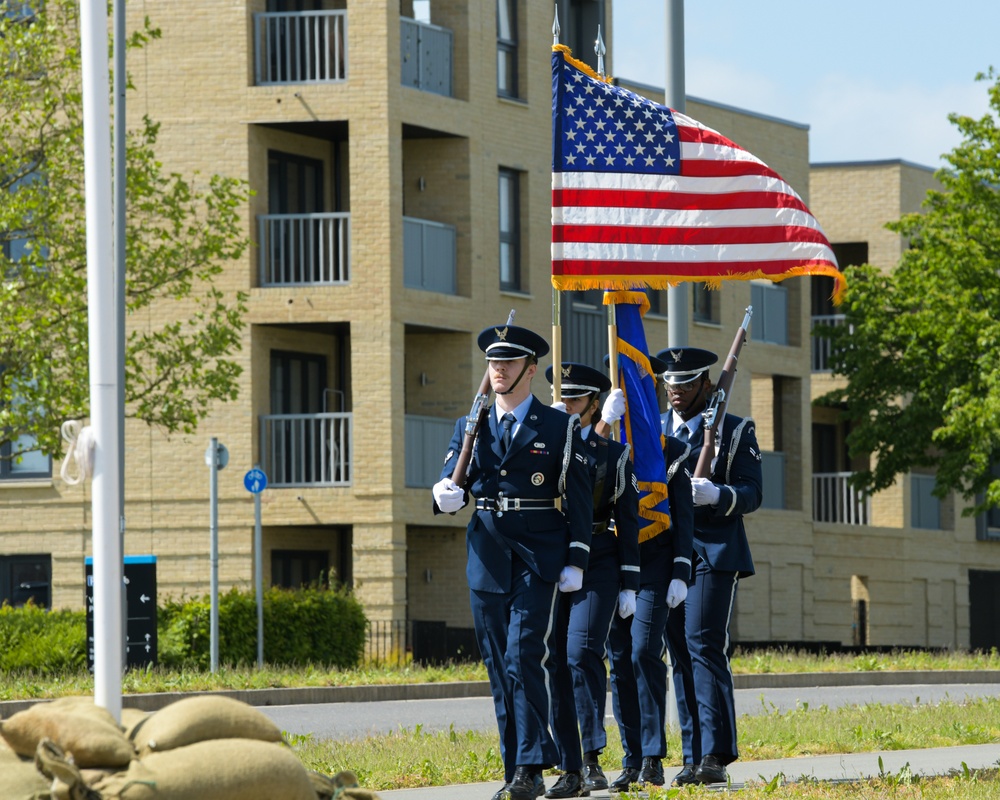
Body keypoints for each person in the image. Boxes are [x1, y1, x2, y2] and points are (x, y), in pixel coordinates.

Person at [432, 324, 593, 800]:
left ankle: (530, 768)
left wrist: (577, 559)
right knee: (500, 668)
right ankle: (515, 771)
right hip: (486, 553)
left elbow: (580, 500)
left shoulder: (560, 426)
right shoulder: (470, 424)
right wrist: (443, 493)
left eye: (508, 362)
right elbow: (452, 481)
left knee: (524, 655)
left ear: (531, 369)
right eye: (492, 362)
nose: (497, 369)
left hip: (537, 555)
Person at [656, 346, 763, 787]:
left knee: (702, 643)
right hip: (666, 552)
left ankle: (715, 752)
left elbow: (752, 493)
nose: (675, 392)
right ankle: (691, 752)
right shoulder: (654, 429)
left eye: (683, 384)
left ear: (706, 384)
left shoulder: (735, 431)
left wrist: (718, 495)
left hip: (712, 550)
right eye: (669, 384)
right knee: (677, 653)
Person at [542, 363, 640, 798]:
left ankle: (591, 757)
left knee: (581, 652)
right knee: (553, 659)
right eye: (561, 399)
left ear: (594, 403)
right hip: (548, 556)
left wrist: (630, 582)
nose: (566, 406)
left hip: (599, 558)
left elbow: (629, 520)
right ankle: (568, 765)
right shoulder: (544, 439)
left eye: (575, 400)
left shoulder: (613, 455)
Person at [602, 353, 694, 792]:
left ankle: (654, 757)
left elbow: (683, 513)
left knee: (642, 652)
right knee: (619, 661)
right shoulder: (602, 447)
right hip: (612, 564)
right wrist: (602, 427)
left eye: (641, 386)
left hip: (655, 564)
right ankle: (632, 756)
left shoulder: (669, 451)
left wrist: (681, 569)